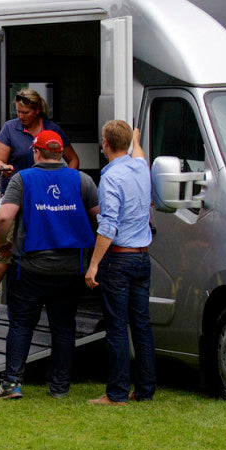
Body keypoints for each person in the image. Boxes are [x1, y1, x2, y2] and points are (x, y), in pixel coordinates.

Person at [0, 130, 98, 400]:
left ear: (36, 152)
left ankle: (12, 383)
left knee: (21, 325)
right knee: (63, 327)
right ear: (62, 152)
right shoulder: (82, 180)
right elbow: (100, 217)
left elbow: (4, 217)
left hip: (29, 267)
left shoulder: (23, 178)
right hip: (70, 268)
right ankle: (60, 387)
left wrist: (1, 242)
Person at [0, 89, 80, 331]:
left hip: (43, 197)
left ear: (37, 110)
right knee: (2, 250)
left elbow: (72, 159)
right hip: (14, 193)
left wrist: (67, 181)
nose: (20, 115)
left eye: (25, 112)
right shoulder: (10, 129)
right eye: (18, 111)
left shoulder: (52, 130)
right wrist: (5, 167)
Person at [84, 121, 155, 406]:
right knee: (141, 326)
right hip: (142, 256)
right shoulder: (141, 168)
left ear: (106, 145)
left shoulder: (111, 179)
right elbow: (138, 153)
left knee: (116, 326)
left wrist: (94, 265)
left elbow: (108, 226)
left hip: (119, 258)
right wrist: (135, 139)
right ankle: (145, 391)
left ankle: (116, 394)